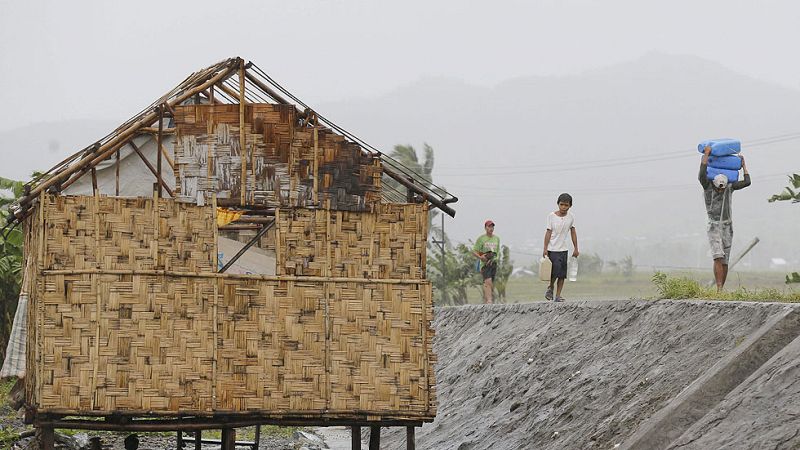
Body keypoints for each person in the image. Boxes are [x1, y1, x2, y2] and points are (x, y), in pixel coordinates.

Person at [699, 146, 751, 291]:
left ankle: (721, 288)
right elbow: (701, 174)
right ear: (714, 184)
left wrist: (744, 166)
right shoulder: (707, 186)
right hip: (714, 226)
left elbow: (747, 182)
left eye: (723, 188)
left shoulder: (729, 186)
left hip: (728, 225)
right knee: (717, 256)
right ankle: (719, 287)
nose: (721, 190)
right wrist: (707, 154)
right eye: (719, 188)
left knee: (725, 259)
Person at [543, 193, 579, 302]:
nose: (563, 207)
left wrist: (576, 248)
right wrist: (545, 248)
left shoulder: (571, 217)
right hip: (552, 249)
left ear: (570, 206)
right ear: (558, 204)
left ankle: (558, 296)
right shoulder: (551, 216)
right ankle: (550, 287)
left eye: (566, 205)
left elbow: (573, 232)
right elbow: (548, 232)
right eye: (561, 204)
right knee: (555, 271)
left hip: (563, 249)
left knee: (562, 274)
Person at [473, 220, 500, 304]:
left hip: (493, 263)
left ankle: (487, 299)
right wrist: (481, 257)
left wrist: (494, 259)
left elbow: (498, 252)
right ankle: (489, 301)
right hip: (484, 263)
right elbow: (474, 251)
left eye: (492, 227)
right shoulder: (481, 239)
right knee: (487, 281)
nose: (491, 228)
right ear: (485, 228)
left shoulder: (496, 238)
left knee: (490, 282)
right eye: (489, 226)